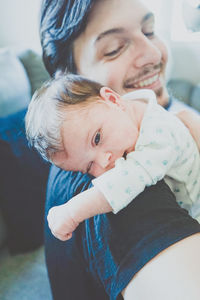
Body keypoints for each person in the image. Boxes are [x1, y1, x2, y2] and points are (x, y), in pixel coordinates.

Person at [40, 0, 200, 299]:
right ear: (69, 79)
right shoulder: (108, 187)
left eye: (150, 31)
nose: (153, 54)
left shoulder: (154, 120)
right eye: (114, 48)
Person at [26, 74, 200, 241]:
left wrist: (72, 212)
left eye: (97, 138)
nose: (104, 161)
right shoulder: (128, 114)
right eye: (89, 167)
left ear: (113, 100)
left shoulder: (158, 133)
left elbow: (124, 183)